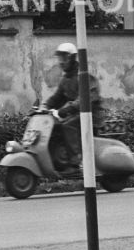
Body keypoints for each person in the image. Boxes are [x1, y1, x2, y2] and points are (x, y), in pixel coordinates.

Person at [42, 42, 105, 170]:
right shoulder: (66, 79)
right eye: (60, 58)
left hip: (92, 115)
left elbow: (85, 99)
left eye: (64, 58)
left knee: (68, 125)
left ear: (72, 58)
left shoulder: (84, 76)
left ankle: (77, 161)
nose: (61, 62)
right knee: (56, 126)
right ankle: (62, 162)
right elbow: (57, 97)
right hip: (78, 114)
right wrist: (44, 106)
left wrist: (64, 111)